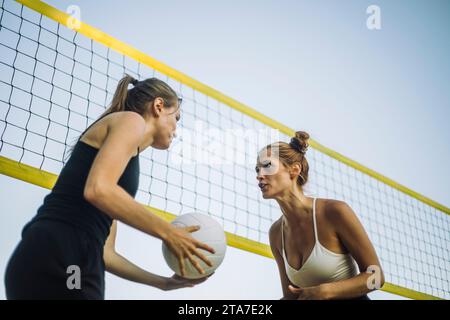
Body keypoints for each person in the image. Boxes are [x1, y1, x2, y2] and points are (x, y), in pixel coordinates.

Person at [5, 75, 214, 299]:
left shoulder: (124, 165)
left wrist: (163, 283)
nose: (176, 129)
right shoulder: (130, 121)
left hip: (79, 259)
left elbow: (106, 253)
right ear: (159, 106)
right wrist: (169, 232)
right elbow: (98, 190)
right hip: (63, 251)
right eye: (177, 118)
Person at [256, 131, 384, 300]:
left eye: (267, 166)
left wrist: (325, 292)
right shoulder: (275, 233)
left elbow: (377, 278)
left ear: (294, 170)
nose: (259, 175)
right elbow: (290, 296)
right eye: (257, 169)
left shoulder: (334, 212)